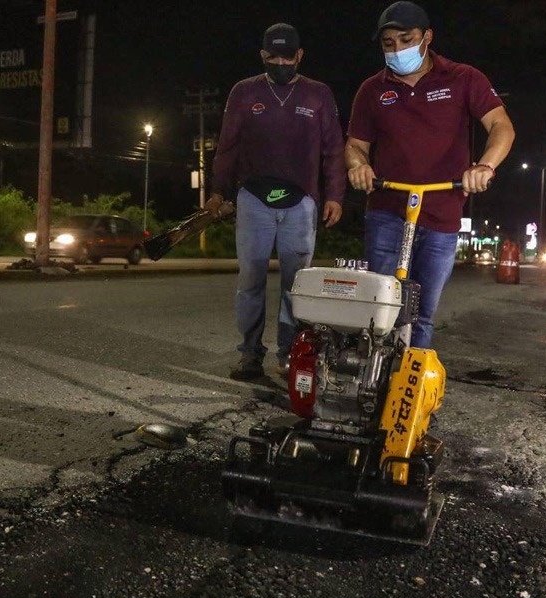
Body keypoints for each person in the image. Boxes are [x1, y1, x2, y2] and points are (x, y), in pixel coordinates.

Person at [345, 1, 515, 348]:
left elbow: (501, 126)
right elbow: (355, 145)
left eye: (406, 40)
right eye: (388, 43)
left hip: (442, 214)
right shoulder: (372, 90)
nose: (397, 50)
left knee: (421, 312)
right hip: (387, 211)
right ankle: (371, 381)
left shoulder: (464, 78)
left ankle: (409, 392)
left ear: (427, 37)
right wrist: (358, 166)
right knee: (381, 306)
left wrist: (484, 166)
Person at [206, 23, 346, 380]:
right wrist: (218, 191)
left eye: (288, 56)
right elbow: (228, 146)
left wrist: (334, 196)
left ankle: (290, 354)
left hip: (301, 203)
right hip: (253, 199)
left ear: (300, 56)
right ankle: (250, 353)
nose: (281, 63)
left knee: (295, 284)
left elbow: (333, 150)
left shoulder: (318, 94)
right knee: (250, 280)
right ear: (263, 56)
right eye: (274, 57)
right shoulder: (244, 92)